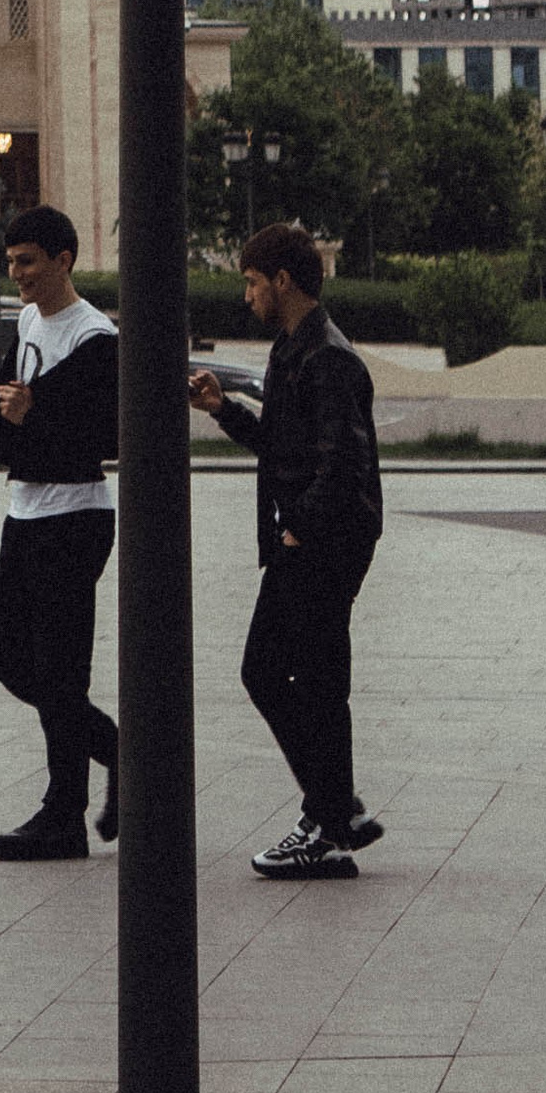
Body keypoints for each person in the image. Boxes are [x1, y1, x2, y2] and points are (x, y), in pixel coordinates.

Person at [192, 222, 385, 880]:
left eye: (251, 281)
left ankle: (331, 821)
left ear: (281, 280)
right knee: (297, 676)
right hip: (308, 538)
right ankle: (336, 811)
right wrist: (225, 411)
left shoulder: (326, 357)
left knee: (289, 675)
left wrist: (301, 526)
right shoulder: (292, 350)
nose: (246, 296)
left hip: (323, 542)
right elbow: (284, 449)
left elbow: (345, 462)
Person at [0, 204, 120, 862]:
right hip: (24, 511)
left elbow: (104, 437)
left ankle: (63, 815)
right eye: (12, 260)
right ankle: (119, 753)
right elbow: (14, 401)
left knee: (59, 673)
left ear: (63, 261)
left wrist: (33, 412)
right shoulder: (28, 320)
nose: (17, 273)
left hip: (75, 516)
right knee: (11, 662)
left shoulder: (95, 338)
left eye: (28, 261)